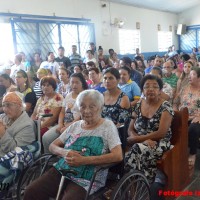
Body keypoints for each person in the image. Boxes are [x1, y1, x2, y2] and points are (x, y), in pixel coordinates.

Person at [23, 90, 123, 200]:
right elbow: (52, 146)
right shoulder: (75, 125)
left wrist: (84, 160)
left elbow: (118, 155)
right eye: (82, 106)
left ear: (100, 107)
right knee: (31, 192)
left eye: (92, 106)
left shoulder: (107, 126)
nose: (86, 111)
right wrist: (64, 152)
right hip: (62, 170)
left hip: (88, 178)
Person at [125, 74, 174, 184]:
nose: (151, 89)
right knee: (133, 148)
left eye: (155, 86)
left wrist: (138, 140)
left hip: (159, 143)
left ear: (160, 90)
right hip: (141, 141)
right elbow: (130, 128)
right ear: (142, 90)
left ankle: (139, 183)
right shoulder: (138, 104)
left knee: (137, 149)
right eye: (147, 86)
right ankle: (137, 183)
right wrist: (139, 138)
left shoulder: (166, 106)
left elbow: (161, 133)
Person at [42, 73, 88, 153]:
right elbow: (62, 112)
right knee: (46, 137)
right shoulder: (68, 95)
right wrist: (60, 124)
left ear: (82, 83)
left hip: (77, 126)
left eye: (77, 82)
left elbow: (81, 116)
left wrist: (68, 127)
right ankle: (49, 160)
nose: (74, 85)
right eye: (72, 82)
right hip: (64, 124)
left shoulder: (85, 96)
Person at [173, 67, 200, 172]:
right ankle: (174, 153)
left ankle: (192, 153)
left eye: (192, 74)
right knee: (170, 125)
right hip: (182, 116)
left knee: (193, 129)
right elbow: (175, 101)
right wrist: (175, 111)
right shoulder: (185, 88)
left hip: (196, 118)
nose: (189, 76)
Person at [0, 92, 36, 157]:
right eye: (3, 105)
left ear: (19, 106)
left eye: (8, 105)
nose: (4, 109)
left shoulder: (27, 126)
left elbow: (17, 152)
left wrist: (2, 133)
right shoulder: (3, 117)